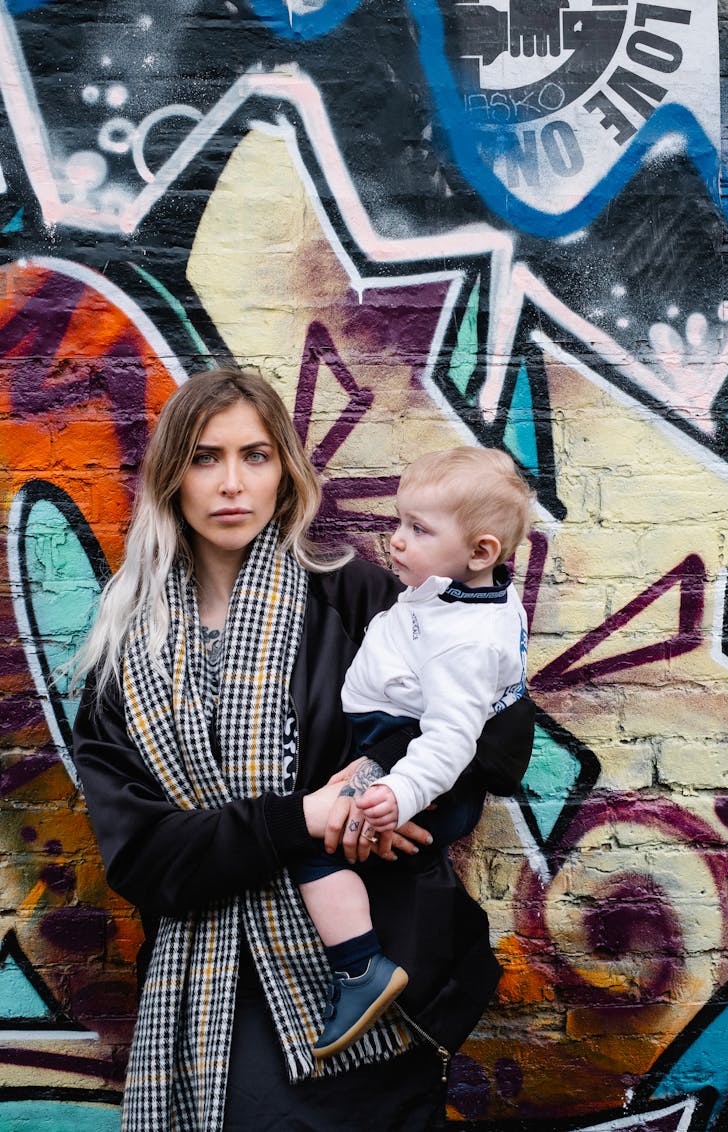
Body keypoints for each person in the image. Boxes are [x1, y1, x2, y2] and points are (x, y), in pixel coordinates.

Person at [72, 366, 535, 1132]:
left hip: (373, 990)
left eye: (255, 456)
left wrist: (404, 805)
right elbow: (144, 860)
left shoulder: (355, 596)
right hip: (216, 1001)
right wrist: (307, 817)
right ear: (170, 478)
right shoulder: (123, 655)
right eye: (204, 457)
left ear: (285, 472)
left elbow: (497, 726)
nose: (231, 483)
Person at [295, 447, 532, 1059]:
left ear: (481, 552)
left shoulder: (465, 643)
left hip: (415, 765)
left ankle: (360, 969)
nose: (397, 540)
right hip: (400, 748)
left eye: (419, 529)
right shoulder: (458, 595)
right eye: (400, 521)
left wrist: (396, 796)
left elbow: (452, 737)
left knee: (313, 853)